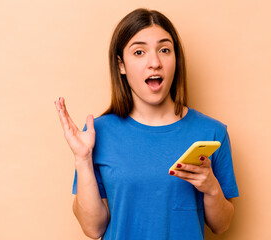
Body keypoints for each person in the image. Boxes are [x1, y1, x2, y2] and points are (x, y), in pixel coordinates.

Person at [54, 8, 238, 240]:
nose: (155, 62)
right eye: (139, 52)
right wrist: (82, 159)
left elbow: (221, 225)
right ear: (121, 65)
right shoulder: (97, 134)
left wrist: (211, 188)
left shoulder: (212, 133)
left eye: (164, 50)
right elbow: (93, 229)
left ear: (176, 60)